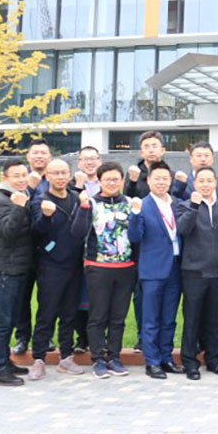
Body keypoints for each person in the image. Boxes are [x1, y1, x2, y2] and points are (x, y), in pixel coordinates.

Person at [70, 162, 138, 379]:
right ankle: (98, 358)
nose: (112, 183)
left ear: (122, 181)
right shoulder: (90, 202)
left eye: (116, 179)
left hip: (126, 268)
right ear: (99, 182)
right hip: (98, 267)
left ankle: (114, 357)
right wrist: (83, 208)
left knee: (118, 316)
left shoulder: (130, 203)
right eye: (107, 179)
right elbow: (77, 232)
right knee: (98, 316)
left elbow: (137, 235)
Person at [124, 131, 186, 352]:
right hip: (144, 251)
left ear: (163, 150)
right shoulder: (134, 174)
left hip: (170, 255)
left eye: (155, 146)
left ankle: (165, 353)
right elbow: (129, 202)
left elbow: (177, 207)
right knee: (144, 302)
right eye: (147, 146)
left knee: (169, 311)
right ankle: (146, 344)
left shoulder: (170, 177)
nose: (151, 150)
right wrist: (132, 184)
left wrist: (179, 186)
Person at [27, 159, 87, 380]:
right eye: (55, 173)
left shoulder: (75, 197)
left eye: (64, 172)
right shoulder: (40, 200)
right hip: (51, 265)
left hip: (75, 264)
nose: (60, 177)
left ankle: (66, 357)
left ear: (70, 174)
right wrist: (46, 216)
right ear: (47, 176)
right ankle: (39, 359)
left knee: (69, 313)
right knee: (47, 313)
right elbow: (35, 232)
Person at [128, 161, 184, 379]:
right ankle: (152, 362)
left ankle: (166, 358)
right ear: (149, 181)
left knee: (169, 317)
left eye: (165, 178)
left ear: (170, 181)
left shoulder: (177, 204)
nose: (161, 182)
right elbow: (134, 237)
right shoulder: (143, 205)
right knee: (151, 318)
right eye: (157, 178)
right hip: (152, 269)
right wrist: (134, 215)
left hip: (175, 268)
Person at [176, 166, 218, 380]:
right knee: (192, 319)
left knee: (214, 319)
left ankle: (213, 359)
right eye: (201, 181)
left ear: (215, 183)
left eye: (209, 181)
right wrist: (194, 207)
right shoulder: (185, 205)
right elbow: (182, 229)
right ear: (194, 184)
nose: (206, 185)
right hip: (194, 273)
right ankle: (190, 361)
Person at [0, 159, 34, 386]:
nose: (22, 179)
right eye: (16, 176)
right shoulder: (0, 202)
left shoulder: (18, 197)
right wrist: (18, 207)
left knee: (12, 318)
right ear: (4, 178)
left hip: (18, 267)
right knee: (2, 321)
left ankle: (5, 362)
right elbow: (9, 233)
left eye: (24, 175)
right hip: (5, 270)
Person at [12, 138, 52, 356]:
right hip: (23, 247)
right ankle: (22, 337)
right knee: (22, 296)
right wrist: (30, 187)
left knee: (47, 297)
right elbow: (14, 207)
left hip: (48, 248)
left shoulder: (55, 178)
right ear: (28, 156)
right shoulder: (20, 179)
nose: (39, 156)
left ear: (49, 156)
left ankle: (45, 337)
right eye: (35, 152)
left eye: (43, 153)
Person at [72, 146, 101, 353]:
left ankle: (99, 338)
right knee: (78, 293)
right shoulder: (71, 185)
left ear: (99, 161)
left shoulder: (108, 183)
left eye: (93, 159)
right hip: (76, 247)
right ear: (79, 163)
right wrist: (77, 188)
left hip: (101, 248)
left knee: (99, 295)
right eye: (85, 159)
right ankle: (81, 338)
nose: (90, 163)